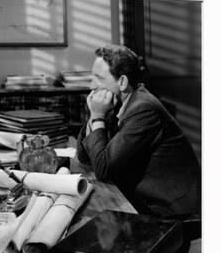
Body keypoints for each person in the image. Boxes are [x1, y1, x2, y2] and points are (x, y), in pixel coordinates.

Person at [76, 44, 200, 219]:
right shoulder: (119, 103)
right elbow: (85, 157)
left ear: (122, 82)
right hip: (142, 200)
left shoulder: (143, 109)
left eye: (99, 78)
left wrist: (97, 116)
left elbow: (103, 169)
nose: (91, 85)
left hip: (171, 212)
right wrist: (94, 115)